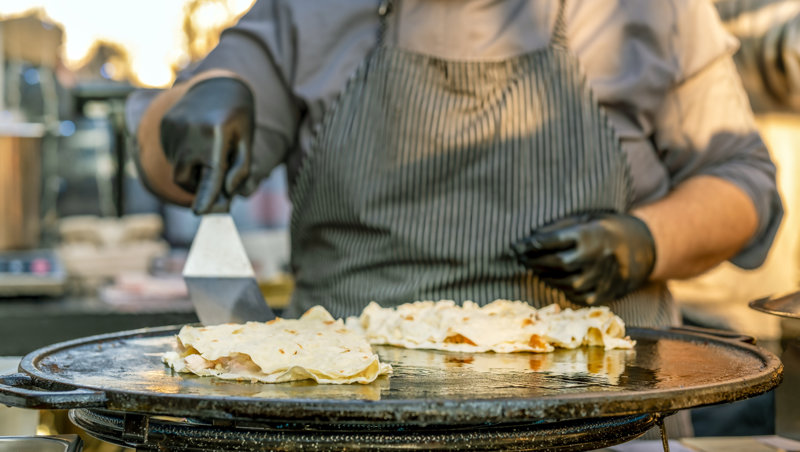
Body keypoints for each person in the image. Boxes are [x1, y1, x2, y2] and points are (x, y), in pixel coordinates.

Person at [133, 0, 781, 332]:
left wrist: (646, 243)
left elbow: (742, 178)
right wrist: (196, 107)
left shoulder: (648, 10)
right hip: (345, 413)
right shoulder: (315, 11)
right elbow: (161, 161)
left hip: (605, 412)